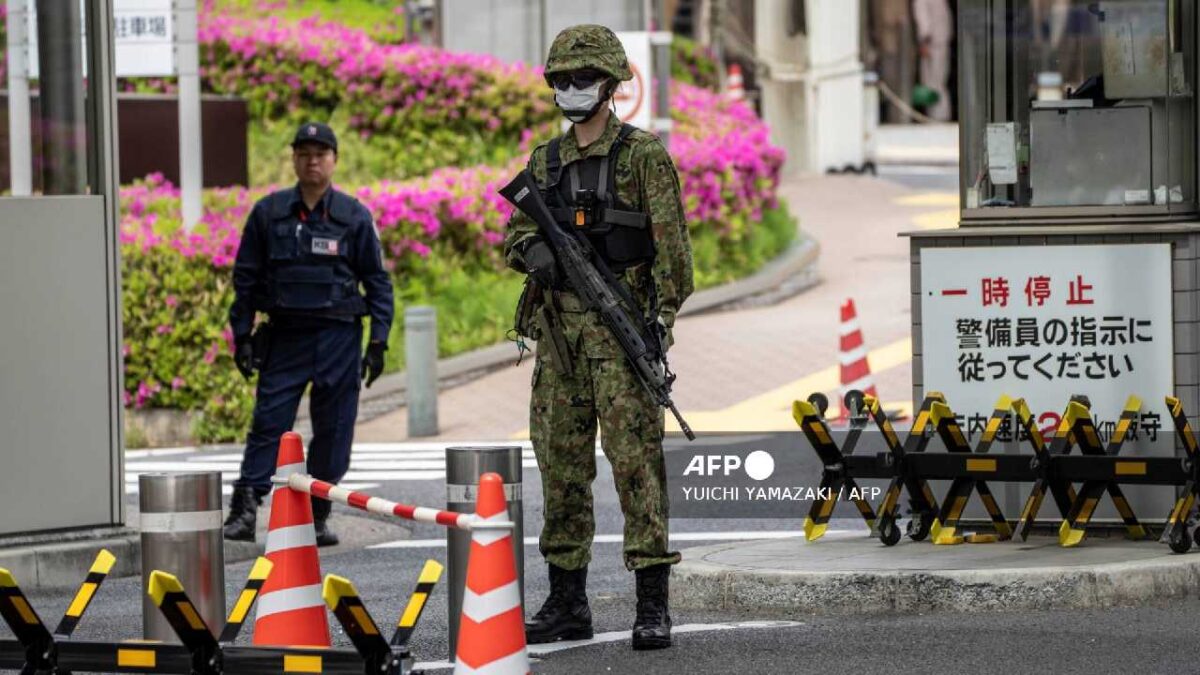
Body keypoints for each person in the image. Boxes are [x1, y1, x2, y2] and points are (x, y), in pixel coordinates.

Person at [502, 25, 694, 651]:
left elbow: (675, 259)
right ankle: (567, 600)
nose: (571, 89)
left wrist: (659, 325)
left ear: (611, 85)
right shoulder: (544, 163)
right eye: (561, 79)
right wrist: (540, 256)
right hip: (559, 342)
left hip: (621, 340)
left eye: (584, 79)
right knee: (560, 468)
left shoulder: (644, 158)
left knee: (637, 469)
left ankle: (652, 602)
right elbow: (512, 239)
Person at [223, 122, 393, 547]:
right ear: (294, 158)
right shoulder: (268, 213)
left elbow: (377, 282)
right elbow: (245, 280)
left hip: (338, 337)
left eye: (320, 153)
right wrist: (242, 336)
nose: (312, 160)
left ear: (334, 159)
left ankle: (317, 512)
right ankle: (245, 508)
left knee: (334, 427)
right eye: (304, 153)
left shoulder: (354, 216)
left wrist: (378, 342)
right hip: (286, 336)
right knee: (269, 423)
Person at [913, 0, 953, 121]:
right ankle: (942, 115)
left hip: (931, 44)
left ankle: (937, 117)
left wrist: (923, 42)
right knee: (939, 81)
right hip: (942, 41)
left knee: (931, 83)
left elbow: (924, 22)